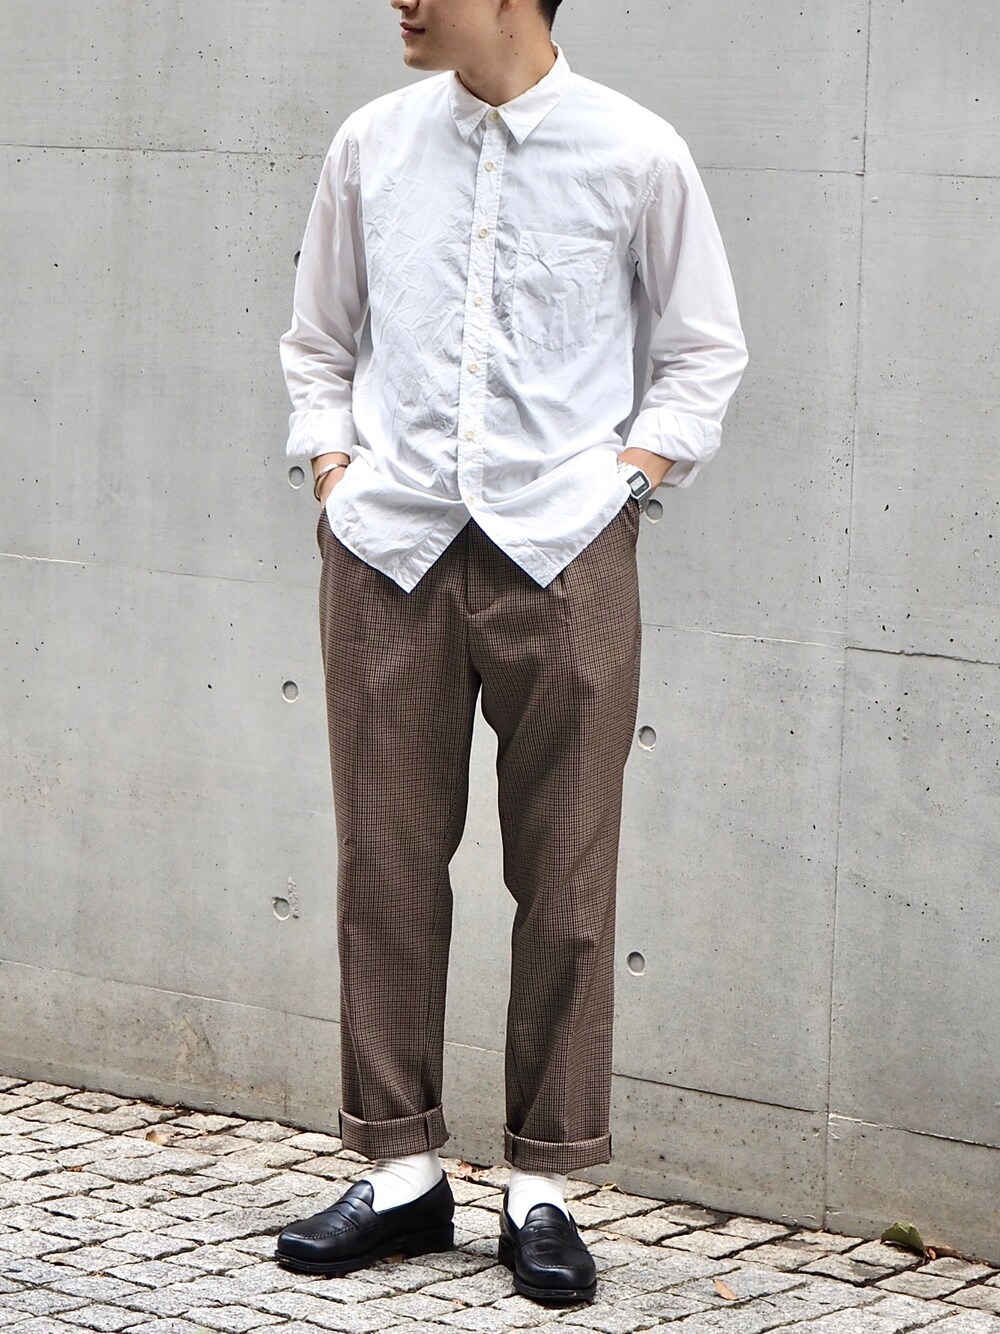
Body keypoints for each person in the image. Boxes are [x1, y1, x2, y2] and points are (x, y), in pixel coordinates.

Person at [274, 0, 747, 1307]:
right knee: (383, 865)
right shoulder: (371, 143)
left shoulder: (636, 150)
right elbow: (317, 339)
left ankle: (543, 1184)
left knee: (569, 876)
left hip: (566, 555)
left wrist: (628, 484)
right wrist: (333, 471)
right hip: (389, 550)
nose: (401, 1)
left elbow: (703, 350)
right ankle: (401, 1171)